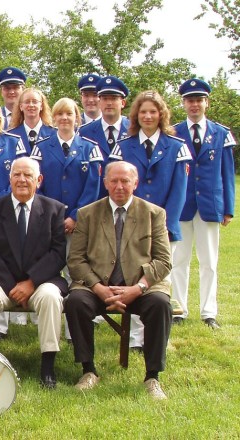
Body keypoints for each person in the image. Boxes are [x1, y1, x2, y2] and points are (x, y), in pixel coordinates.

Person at [65, 161, 172, 400]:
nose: (119, 186)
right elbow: (76, 260)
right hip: (97, 287)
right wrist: (98, 288)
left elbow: (164, 261)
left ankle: (152, 376)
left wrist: (138, 287)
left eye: (125, 181)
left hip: (141, 287)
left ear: (136, 183)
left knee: (160, 304)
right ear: (105, 184)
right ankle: (88, 370)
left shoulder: (154, 213)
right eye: (114, 181)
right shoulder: (88, 213)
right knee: (76, 302)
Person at [0, 157, 68, 388]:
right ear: (10, 179)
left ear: (39, 180)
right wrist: (11, 286)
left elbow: (57, 254)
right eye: (17, 175)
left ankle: (48, 365)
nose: (22, 180)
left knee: (50, 297)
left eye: (28, 175)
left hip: (40, 281)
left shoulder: (55, 209)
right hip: (1, 280)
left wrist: (31, 283)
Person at [109, 90, 192, 351]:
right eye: (143, 112)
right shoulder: (124, 146)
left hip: (162, 226)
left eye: (153, 112)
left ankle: (155, 339)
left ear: (161, 115)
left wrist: (166, 226)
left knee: (156, 282)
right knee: (133, 277)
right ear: (136, 115)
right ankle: (134, 339)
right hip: (129, 224)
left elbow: (179, 191)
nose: (147, 116)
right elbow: (114, 186)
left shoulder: (177, 147)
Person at [171, 78, 236, 329]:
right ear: (184, 104)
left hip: (210, 203)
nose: (194, 105)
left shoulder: (221, 133)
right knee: (179, 259)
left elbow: (227, 173)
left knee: (209, 261)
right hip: (182, 205)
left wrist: (228, 208)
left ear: (206, 103)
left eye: (199, 100)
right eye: (190, 100)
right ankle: (179, 309)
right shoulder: (174, 132)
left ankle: (209, 312)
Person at [29, 97, 102, 237]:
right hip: (47, 221)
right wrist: (51, 214)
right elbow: (35, 186)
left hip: (81, 223)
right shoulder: (40, 148)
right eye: (60, 114)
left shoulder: (90, 148)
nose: (64, 118)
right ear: (54, 117)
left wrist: (75, 217)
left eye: (69, 113)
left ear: (76, 117)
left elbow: (92, 189)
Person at [77, 75, 131, 198]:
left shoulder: (133, 130)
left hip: (127, 199)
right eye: (105, 98)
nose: (109, 103)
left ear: (122, 103)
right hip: (95, 200)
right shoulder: (85, 132)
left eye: (113, 98)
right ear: (100, 101)